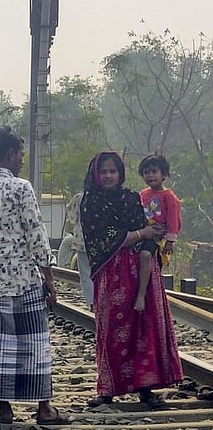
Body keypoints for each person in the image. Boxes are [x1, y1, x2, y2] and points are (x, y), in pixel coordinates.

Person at [0, 126, 68, 425]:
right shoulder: (21, 188)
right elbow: (37, 236)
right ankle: (44, 408)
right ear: (9, 155)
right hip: (25, 281)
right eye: (20, 154)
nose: (21, 159)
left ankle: (4, 409)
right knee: (35, 343)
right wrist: (49, 279)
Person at [80, 151, 180, 409]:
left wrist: (146, 235)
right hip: (111, 273)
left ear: (120, 173)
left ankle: (146, 388)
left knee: (143, 328)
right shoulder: (92, 202)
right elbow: (107, 236)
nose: (108, 176)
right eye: (104, 172)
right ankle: (107, 389)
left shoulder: (131, 198)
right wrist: (140, 233)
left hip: (141, 274)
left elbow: (148, 231)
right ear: (96, 174)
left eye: (113, 171)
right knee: (112, 329)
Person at [138, 153, 181, 268]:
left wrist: (170, 241)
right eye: (146, 172)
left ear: (164, 174)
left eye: (154, 171)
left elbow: (173, 220)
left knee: (150, 259)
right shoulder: (142, 194)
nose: (150, 175)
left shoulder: (169, 197)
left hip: (158, 236)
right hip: (143, 232)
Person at [59, 191, 93, 307]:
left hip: (82, 241)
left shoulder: (80, 197)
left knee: (86, 274)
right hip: (102, 243)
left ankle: (91, 303)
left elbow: (72, 217)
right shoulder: (107, 195)